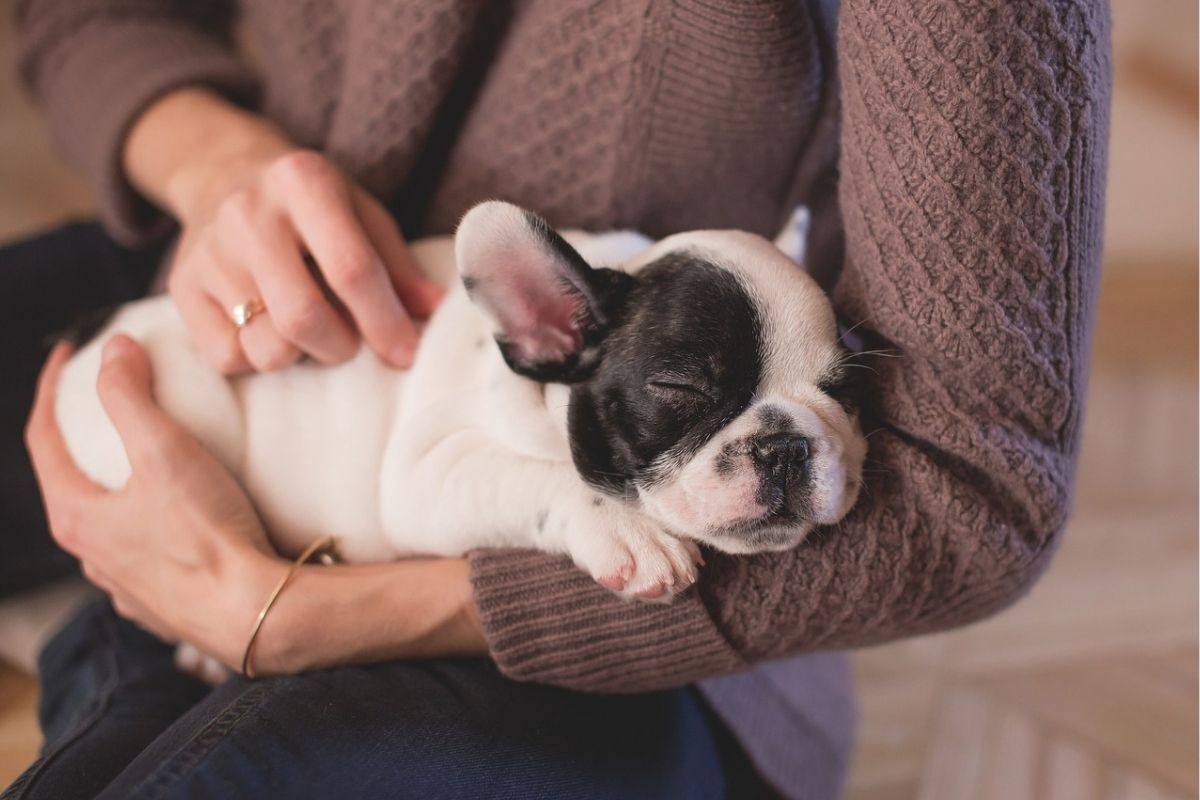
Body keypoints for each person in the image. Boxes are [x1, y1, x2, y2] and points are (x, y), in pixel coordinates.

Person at [1, 0, 1111, 797]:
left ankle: (110, 645)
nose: (780, 445)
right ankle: (119, 637)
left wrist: (294, 618)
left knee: (222, 771)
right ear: (543, 329)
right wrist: (218, 165)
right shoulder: (564, 323)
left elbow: (977, 487)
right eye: (693, 400)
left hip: (628, 646)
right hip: (238, 302)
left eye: (830, 395)